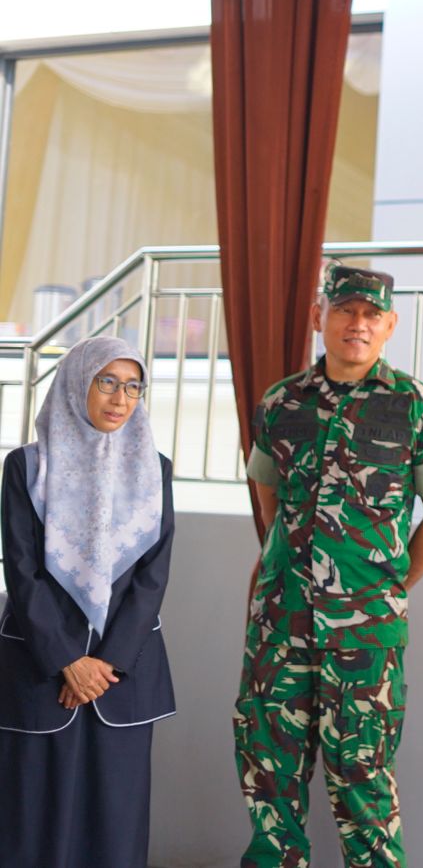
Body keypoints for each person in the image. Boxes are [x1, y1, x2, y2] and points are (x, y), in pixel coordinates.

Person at [234, 265, 423, 868]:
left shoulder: (418, 406)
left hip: (365, 634)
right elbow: (269, 498)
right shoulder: (281, 401)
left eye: (370, 315)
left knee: (362, 780)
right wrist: (285, 567)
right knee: (268, 775)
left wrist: (387, 586)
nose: (356, 324)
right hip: (279, 622)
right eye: (344, 310)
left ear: (389, 325)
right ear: (320, 317)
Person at [0, 336, 176, 868]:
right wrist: (66, 659)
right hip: (40, 666)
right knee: (31, 820)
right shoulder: (26, 467)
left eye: (133, 387)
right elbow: (22, 571)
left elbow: (153, 577)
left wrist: (105, 662)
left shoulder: (156, 471)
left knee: (115, 823)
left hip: (122, 673)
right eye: (107, 382)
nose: (120, 399)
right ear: (78, 383)